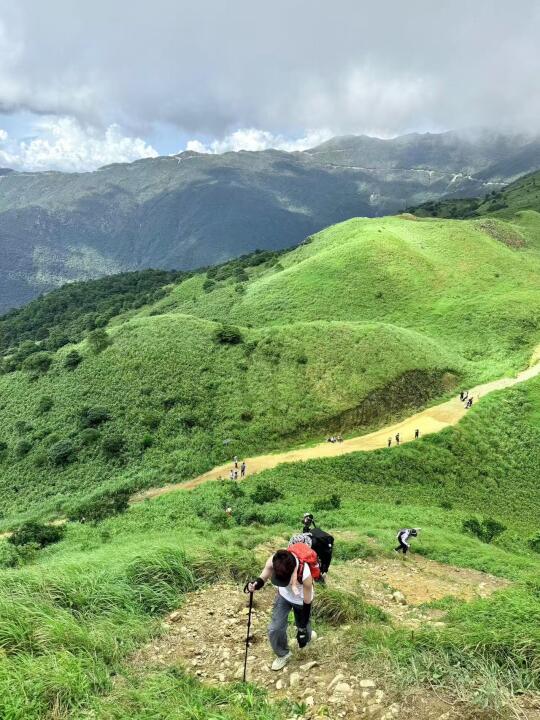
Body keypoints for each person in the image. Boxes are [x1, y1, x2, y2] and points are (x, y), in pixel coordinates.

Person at [246, 548, 317, 670]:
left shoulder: (305, 575)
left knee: (304, 632)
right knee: (275, 628)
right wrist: (255, 584)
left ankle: (309, 634)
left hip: (301, 601)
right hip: (283, 596)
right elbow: (263, 577)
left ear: (293, 573)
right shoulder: (275, 560)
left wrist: (302, 628)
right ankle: (283, 654)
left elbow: (307, 601)